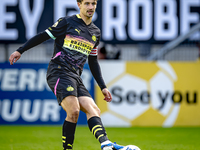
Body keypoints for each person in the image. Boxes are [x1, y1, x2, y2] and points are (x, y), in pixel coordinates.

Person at [9, 0, 124, 150]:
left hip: (76, 77)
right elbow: (43, 36)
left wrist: (103, 86)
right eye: (87, 3)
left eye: (94, 3)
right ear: (79, 4)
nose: (91, 7)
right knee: (74, 110)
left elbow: (93, 62)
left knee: (94, 110)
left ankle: (106, 144)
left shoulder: (95, 32)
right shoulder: (67, 22)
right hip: (58, 71)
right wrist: (20, 50)